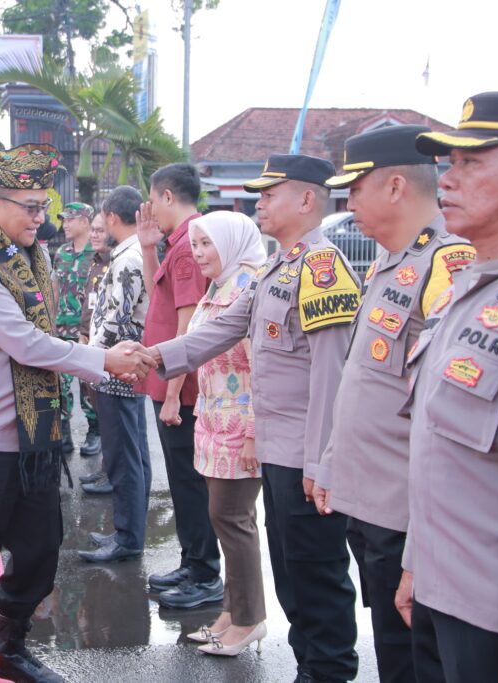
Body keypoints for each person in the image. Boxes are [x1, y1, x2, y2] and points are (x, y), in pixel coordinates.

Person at [0, 143, 155, 683]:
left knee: (39, 553)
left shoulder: (32, 257)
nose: (42, 218)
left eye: (45, 206)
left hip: (34, 436)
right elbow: (25, 343)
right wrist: (101, 360)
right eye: (30, 206)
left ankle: (10, 645)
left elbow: (46, 336)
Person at [146, 155, 361, 682]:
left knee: (317, 579)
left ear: (307, 200)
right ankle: (311, 668)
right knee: (292, 577)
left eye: (270, 194)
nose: (258, 203)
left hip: (305, 457)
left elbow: (331, 379)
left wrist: (322, 462)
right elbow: (217, 334)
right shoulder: (277, 266)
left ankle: (326, 672)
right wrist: (151, 358)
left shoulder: (322, 270)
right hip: (279, 453)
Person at [312, 125, 474, 683]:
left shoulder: (447, 265)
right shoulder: (388, 263)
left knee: (413, 660)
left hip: (408, 514)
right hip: (373, 504)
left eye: (355, 189)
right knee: (391, 647)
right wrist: (334, 460)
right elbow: (362, 381)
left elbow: (444, 410)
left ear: (396, 186)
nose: (348, 202)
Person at [392, 91, 498, 683]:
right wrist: (414, 565)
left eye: (471, 163)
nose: (447, 180)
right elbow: (439, 449)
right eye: (448, 164)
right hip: (437, 594)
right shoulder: (471, 288)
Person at [177, 211, 269, 657]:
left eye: (206, 244)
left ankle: (250, 619)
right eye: (195, 245)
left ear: (231, 243)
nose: (198, 254)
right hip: (215, 420)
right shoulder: (222, 284)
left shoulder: (252, 286)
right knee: (225, 520)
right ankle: (232, 613)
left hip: (241, 424)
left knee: (232, 520)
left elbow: (263, 368)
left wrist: (254, 432)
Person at [135, 162, 222, 610]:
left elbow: (189, 321)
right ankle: (193, 561)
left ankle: (205, 572)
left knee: (189, 481)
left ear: (167, 196)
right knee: (182, 478)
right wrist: (149, 248)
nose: (150, 209)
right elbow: (162, 297)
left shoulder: (189, 243)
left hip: (180, 388)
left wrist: (172, 393)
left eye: (153, 199)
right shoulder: (178, 243)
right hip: (171, 380)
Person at [77, 185, 151, 563]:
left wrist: (90, 361)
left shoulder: (127, 259)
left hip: (116, 369)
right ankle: (128, 532)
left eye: (100, 218)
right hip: (122, 366)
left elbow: (116, 320)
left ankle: (127, 538)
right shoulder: (129, 254)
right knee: (131, 455)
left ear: (111, 217)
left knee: (125, 459)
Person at [53, 202, 101, 457]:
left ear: (85, 221)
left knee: (87, 385)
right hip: (61, 329)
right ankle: (63, 432)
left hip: (87, 332)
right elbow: (54, 287)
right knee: (60, 384)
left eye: (70, 219)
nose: (65, 224)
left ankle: (95, 431)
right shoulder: (61, 252)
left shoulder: (99, 253)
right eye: (64, 220)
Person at [76, 212, 113, 492]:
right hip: (89, 342)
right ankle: (105, 469)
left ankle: (111, 474)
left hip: (107, 349)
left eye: (101, 230)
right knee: (99, 409)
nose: (96, 235)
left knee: (111, 419)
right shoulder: (95, 262)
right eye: (94, 231)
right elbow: (89, 303)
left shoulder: (116, 262)